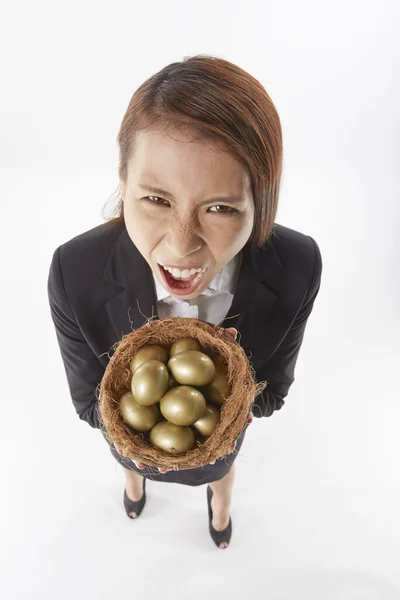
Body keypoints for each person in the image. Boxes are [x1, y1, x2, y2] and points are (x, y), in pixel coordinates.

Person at [47, 55, 323, 550]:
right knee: (130, 465)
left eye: (219, 208)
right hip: (129, 445)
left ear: (262, 201)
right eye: (156, 199)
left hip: (220, 447)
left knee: (222, 473)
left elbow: (272, 394)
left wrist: (231, 384)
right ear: (124, 181)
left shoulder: (299, 264)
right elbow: (91, 405)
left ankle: (219, 507)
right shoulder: (75, 270)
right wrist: (137, 434)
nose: (180, 245)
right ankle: (134, 485)